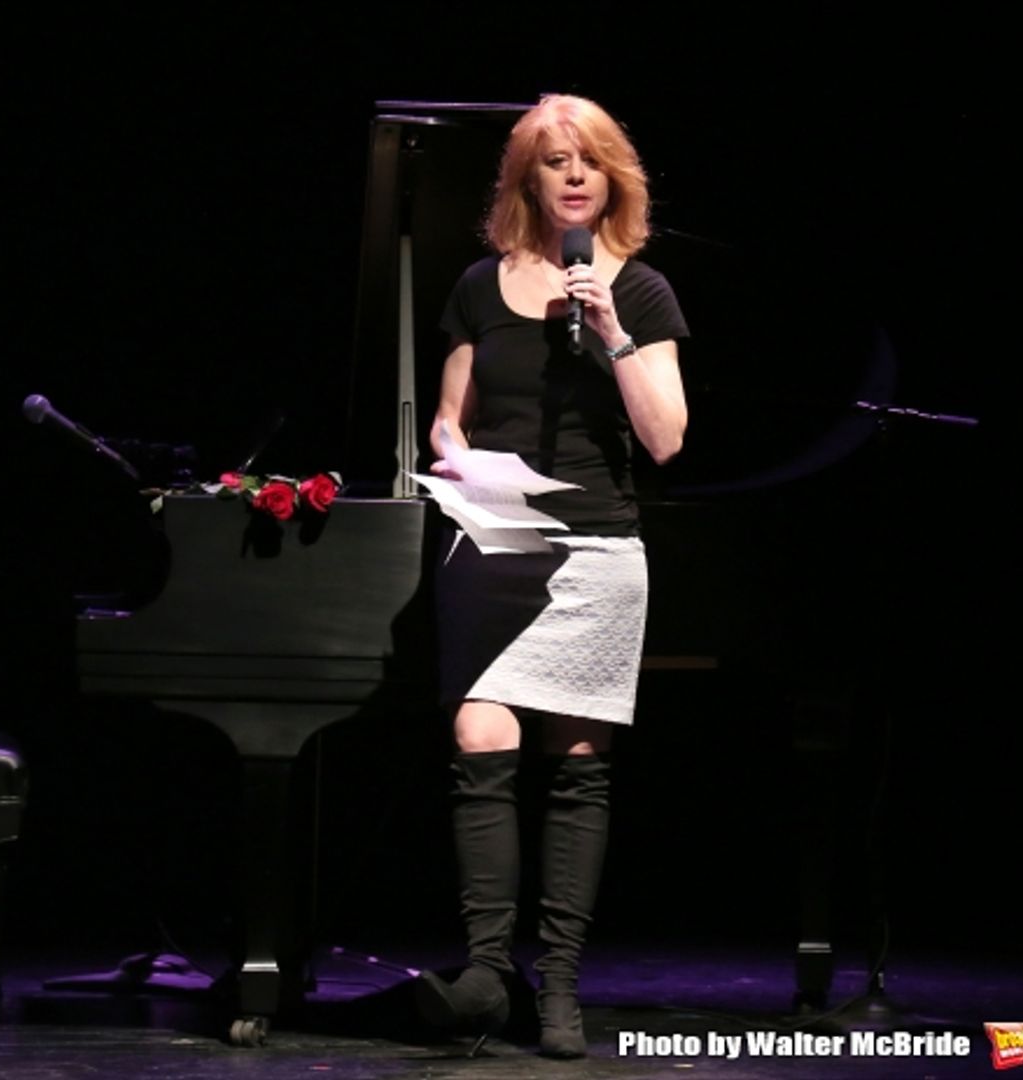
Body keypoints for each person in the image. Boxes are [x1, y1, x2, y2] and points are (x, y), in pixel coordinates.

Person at [414, 93, 690, 1059]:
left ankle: (559, 985)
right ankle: (489, 972)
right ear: (525, 180)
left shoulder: (643, 290)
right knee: (477, 732)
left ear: (614, 178)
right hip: (492, 545)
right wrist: (454, 457)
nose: (574, 175)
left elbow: (665, 440)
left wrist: (611, 330)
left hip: (597, 551)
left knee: (577, 764)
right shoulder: (480, 287)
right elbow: (449, 417)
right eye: (553, 160)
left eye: (591, 161)